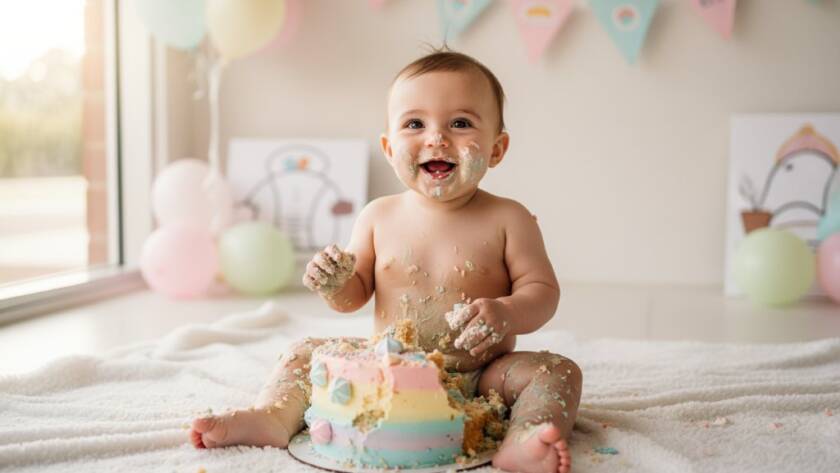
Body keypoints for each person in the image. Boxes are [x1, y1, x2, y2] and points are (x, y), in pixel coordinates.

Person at [190, 50, 582, 473]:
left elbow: (542, 292)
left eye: (460, 123)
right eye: (415, 124)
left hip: (484, 374)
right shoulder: (378, 216)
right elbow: (352, 298)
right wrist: (336, 283)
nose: (436, 138)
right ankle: (272, 417)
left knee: (557, 371)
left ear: (497, 148)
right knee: (305, 351)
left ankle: (525, 437)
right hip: (388, 365)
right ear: (389, 147)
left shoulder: (509, 218)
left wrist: (506, 312)